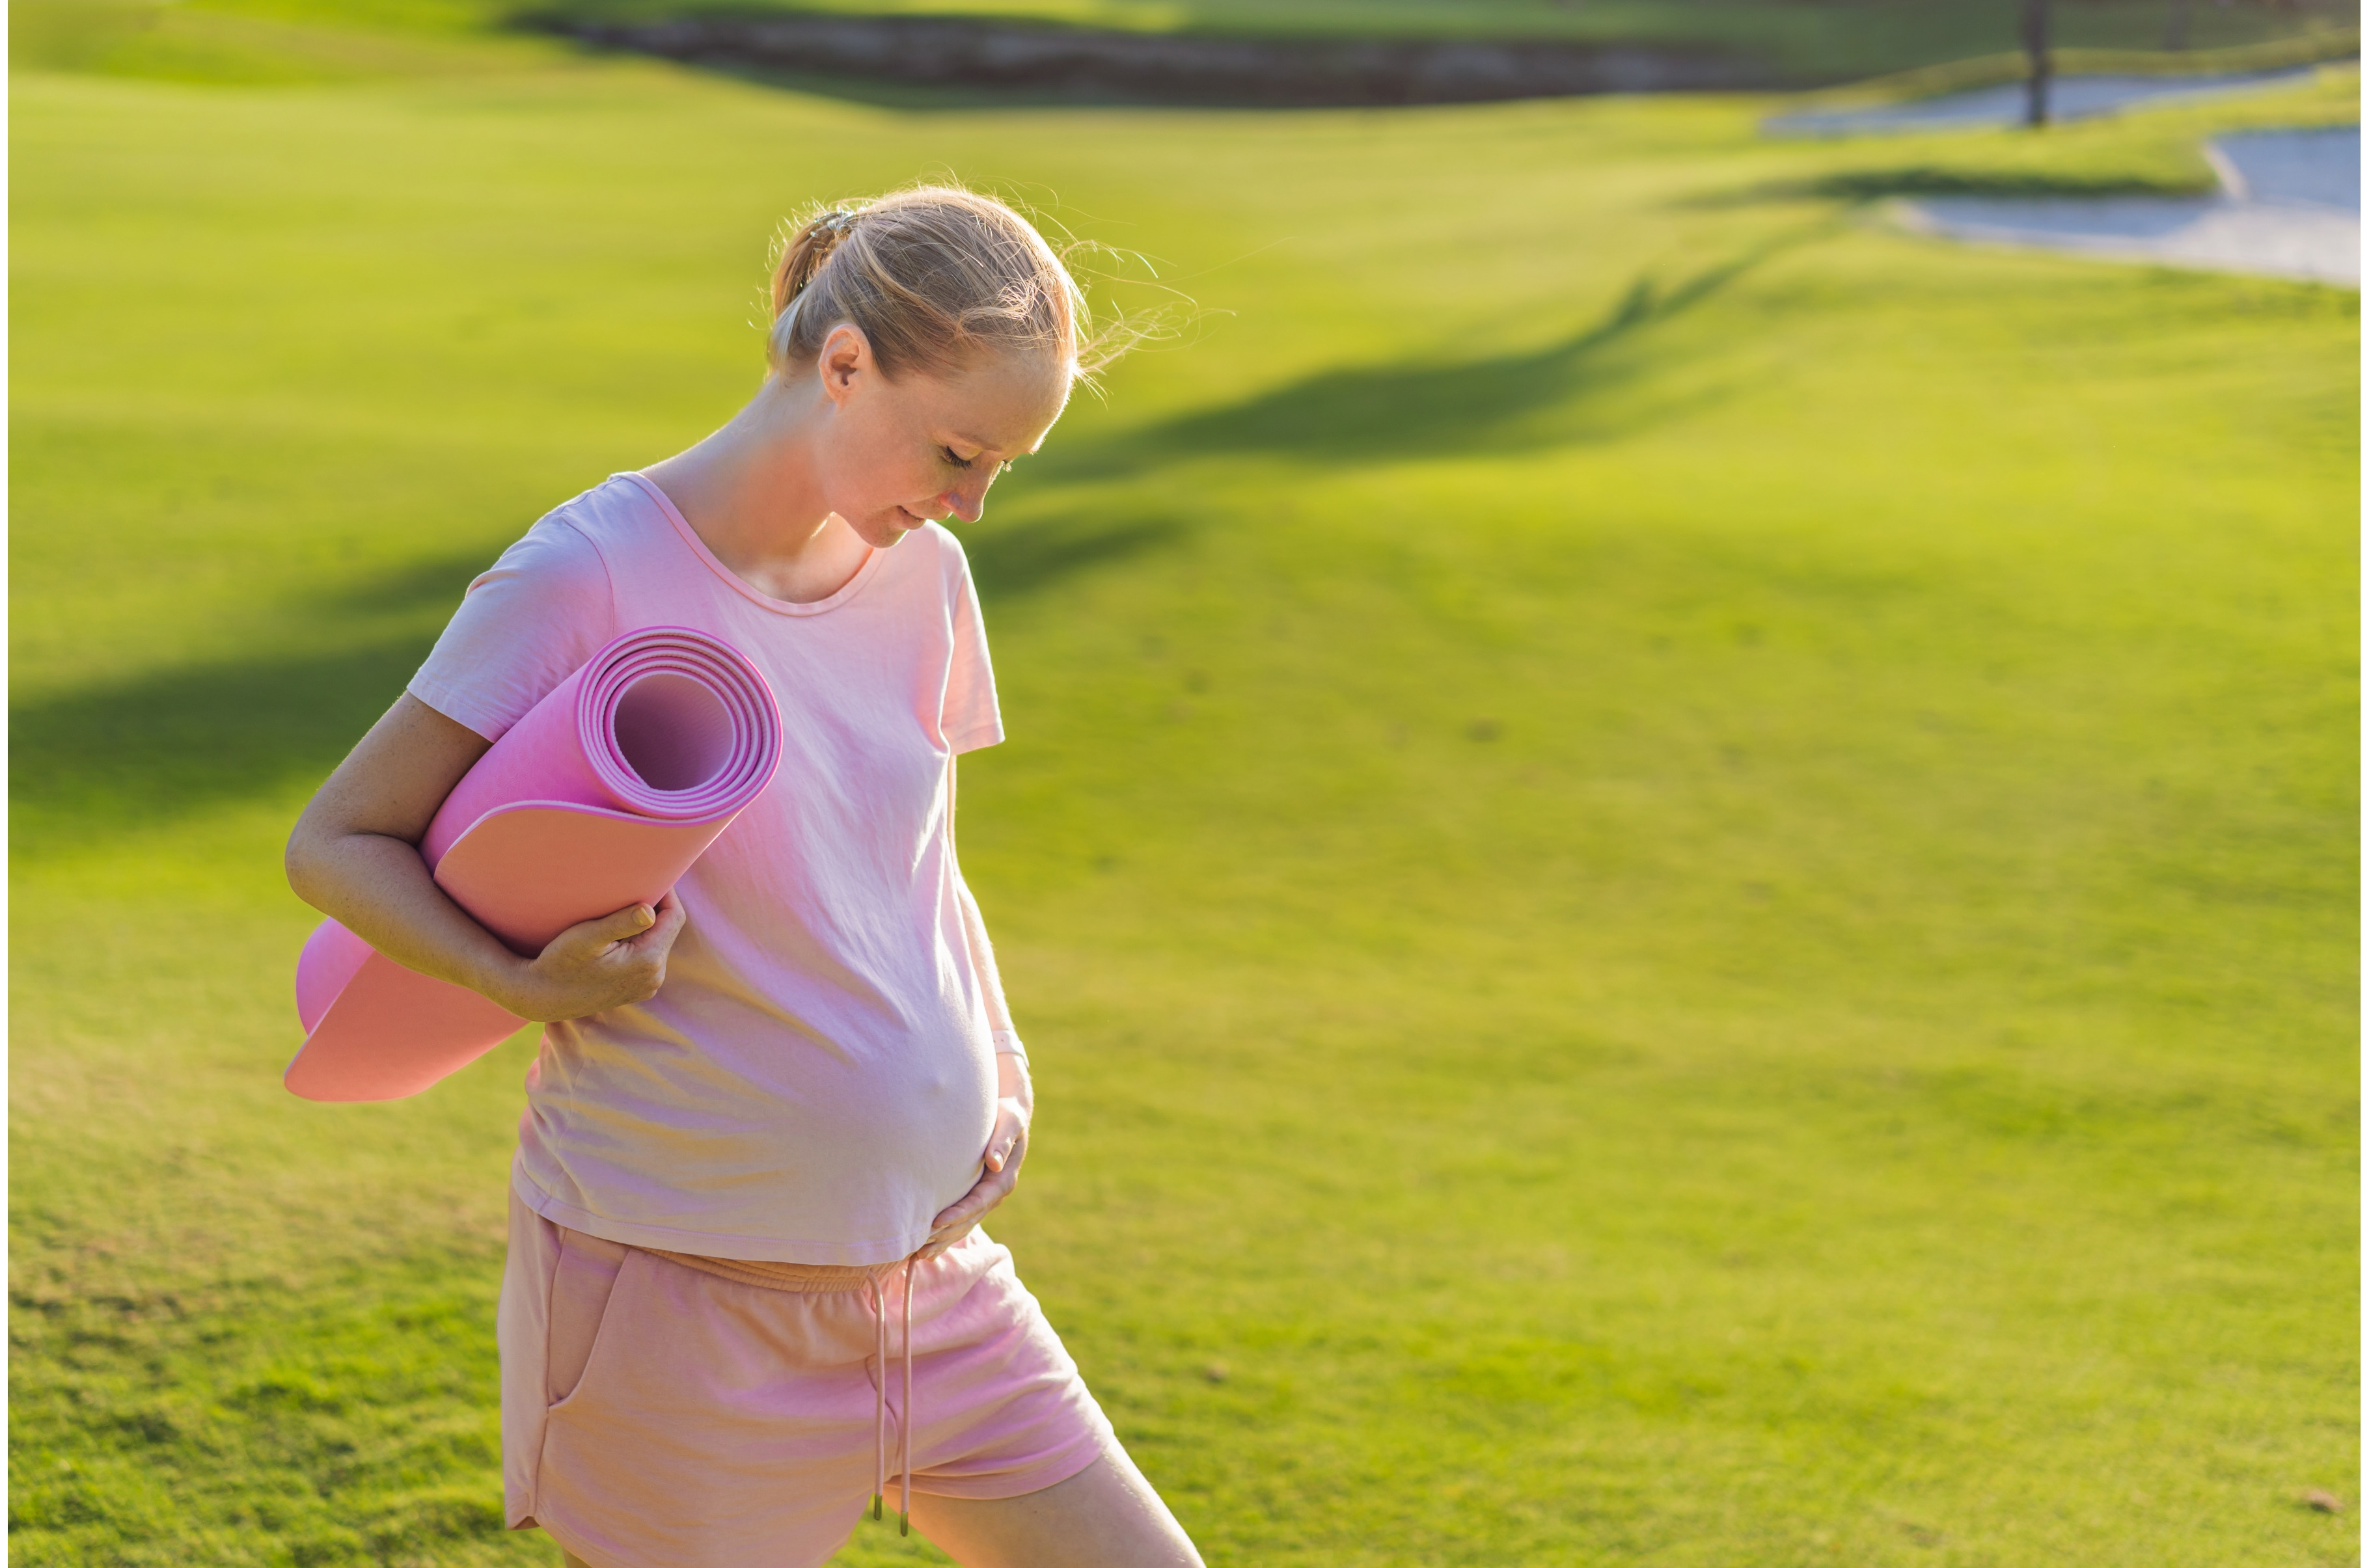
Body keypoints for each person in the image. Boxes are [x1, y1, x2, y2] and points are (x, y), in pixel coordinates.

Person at [284, 185, 1204, 1568]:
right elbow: (337, 840)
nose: (969, 501)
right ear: (845, 365)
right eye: (959, 451)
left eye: (1000, 469)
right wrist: (515, 978)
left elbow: (915, 864)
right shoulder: (589, 570)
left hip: (935, 1288)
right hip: (679, 1308)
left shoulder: (928, 578)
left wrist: (1001, 1065)